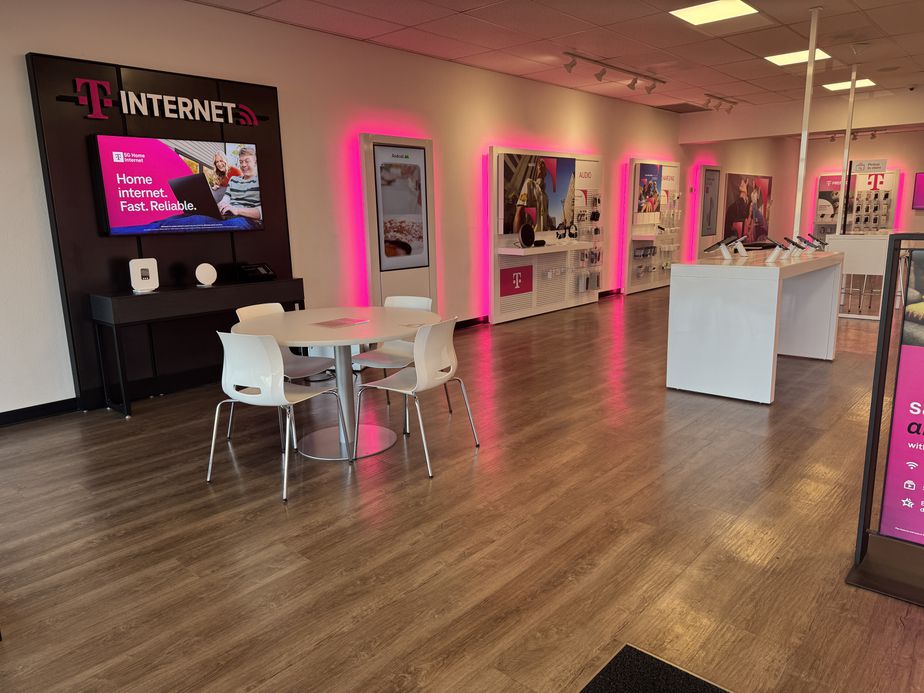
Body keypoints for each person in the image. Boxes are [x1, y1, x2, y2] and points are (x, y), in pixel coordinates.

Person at [218, 147, 262, 221]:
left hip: (247, 220)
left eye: (247, 161)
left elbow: (262, 212)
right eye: (241, 162)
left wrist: (237, 210)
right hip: (228, 216)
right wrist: (220, 205)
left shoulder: (260, 181)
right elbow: (226, 199)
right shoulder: (233, 179)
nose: (243, 165)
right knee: (196, 219)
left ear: (255, 162)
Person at [513, 157, 549, 232]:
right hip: (530, 237)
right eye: (539, 163)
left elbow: (546, 218)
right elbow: (519, 212)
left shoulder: (546, 196)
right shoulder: (529, 184)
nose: (540, 165)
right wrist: (515, 239)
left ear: (546, 172)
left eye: (543, 164)